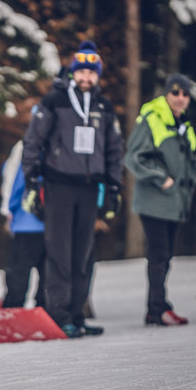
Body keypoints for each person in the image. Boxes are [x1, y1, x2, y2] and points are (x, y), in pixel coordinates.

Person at [21, 41, 124, 338]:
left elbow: (114, 149)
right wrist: (32, 179)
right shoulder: (55, 101)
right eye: (81, 72)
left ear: (98, 75)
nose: (86, 77)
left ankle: (77, 316)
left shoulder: (104, 106)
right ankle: (59, 316)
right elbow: (33, 141)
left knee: (83, 255)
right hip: (58, 185)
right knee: (59, 253)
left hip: (90, 188)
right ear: (72, 73)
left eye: (91, 72)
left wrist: (114, 185)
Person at [125, 73, 196, 326]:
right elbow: (133, 157)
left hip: (174, 202)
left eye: (185, 94)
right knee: (159, 255)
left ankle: (160, 304)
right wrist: (160, 177)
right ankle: (155, 310)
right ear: (166, 94)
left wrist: (191, 183)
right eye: (175, 92)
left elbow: (188, 161)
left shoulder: (183, 124)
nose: (180, 98)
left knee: (165, 257)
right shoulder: (152, 118)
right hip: (154, 200)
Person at [0, 139, 46, 311]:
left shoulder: (24, 147)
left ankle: (13, 309)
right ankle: (46, 310)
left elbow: (13, 181)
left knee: (18, 271)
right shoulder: (61, 143)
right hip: (55, 224)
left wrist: (8, 211)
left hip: (26, 221)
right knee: (49, 273)